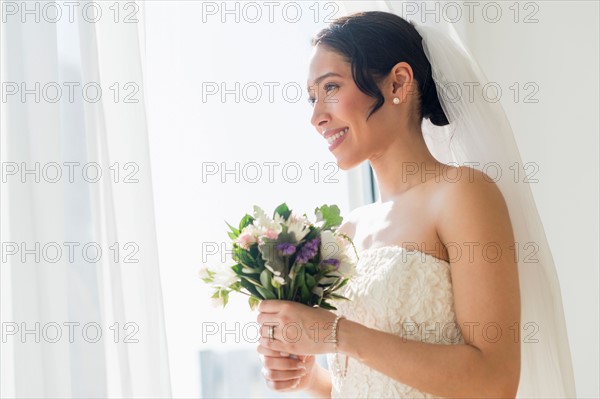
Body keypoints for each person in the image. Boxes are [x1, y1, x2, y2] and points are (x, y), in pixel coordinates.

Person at [256, 11, 575, 398]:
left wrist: (335, 334)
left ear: (398, 82)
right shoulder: (348, 232)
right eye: (312, 97)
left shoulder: (462, 194)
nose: (316, 116)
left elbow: (495, 380)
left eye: (332, 88)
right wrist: (309, 378)